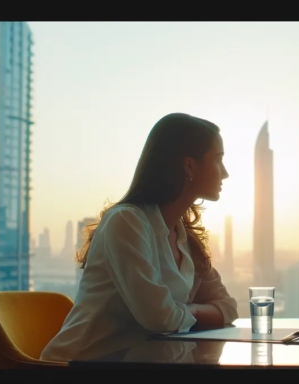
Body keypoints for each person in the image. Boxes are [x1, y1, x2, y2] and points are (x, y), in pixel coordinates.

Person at [41, 113, 239, 362]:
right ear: (189, 165)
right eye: (218, 160)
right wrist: (198, 311)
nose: (225, 173)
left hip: (140, 364)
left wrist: (186, 311)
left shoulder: (183, 236)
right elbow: (159, 319)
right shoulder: (127, 222)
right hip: (79, 365)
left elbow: (229, 308)